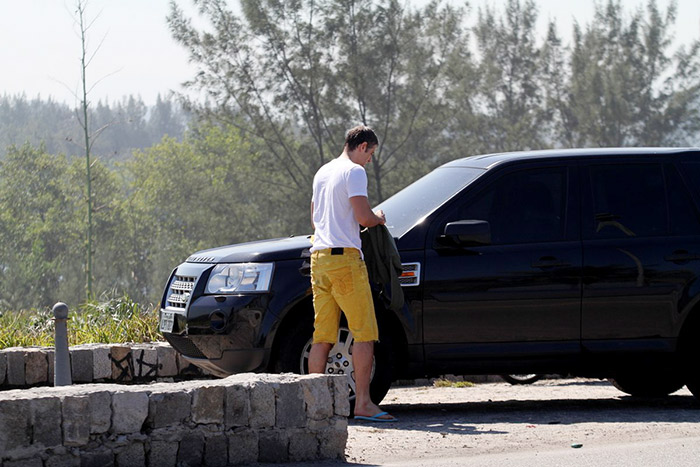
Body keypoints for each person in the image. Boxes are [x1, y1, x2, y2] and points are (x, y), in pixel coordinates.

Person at [308, 125, 396, 422]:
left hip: (318, 259)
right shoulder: (354, 172)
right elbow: (363, 217)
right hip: (345, 260)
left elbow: (315, 218)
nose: (370, 159)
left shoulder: (323, 171)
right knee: (365, 334)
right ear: (362, 147)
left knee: (322, 337)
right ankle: (363, 404)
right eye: (370, 153)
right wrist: (378, 218)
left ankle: (314, 407)